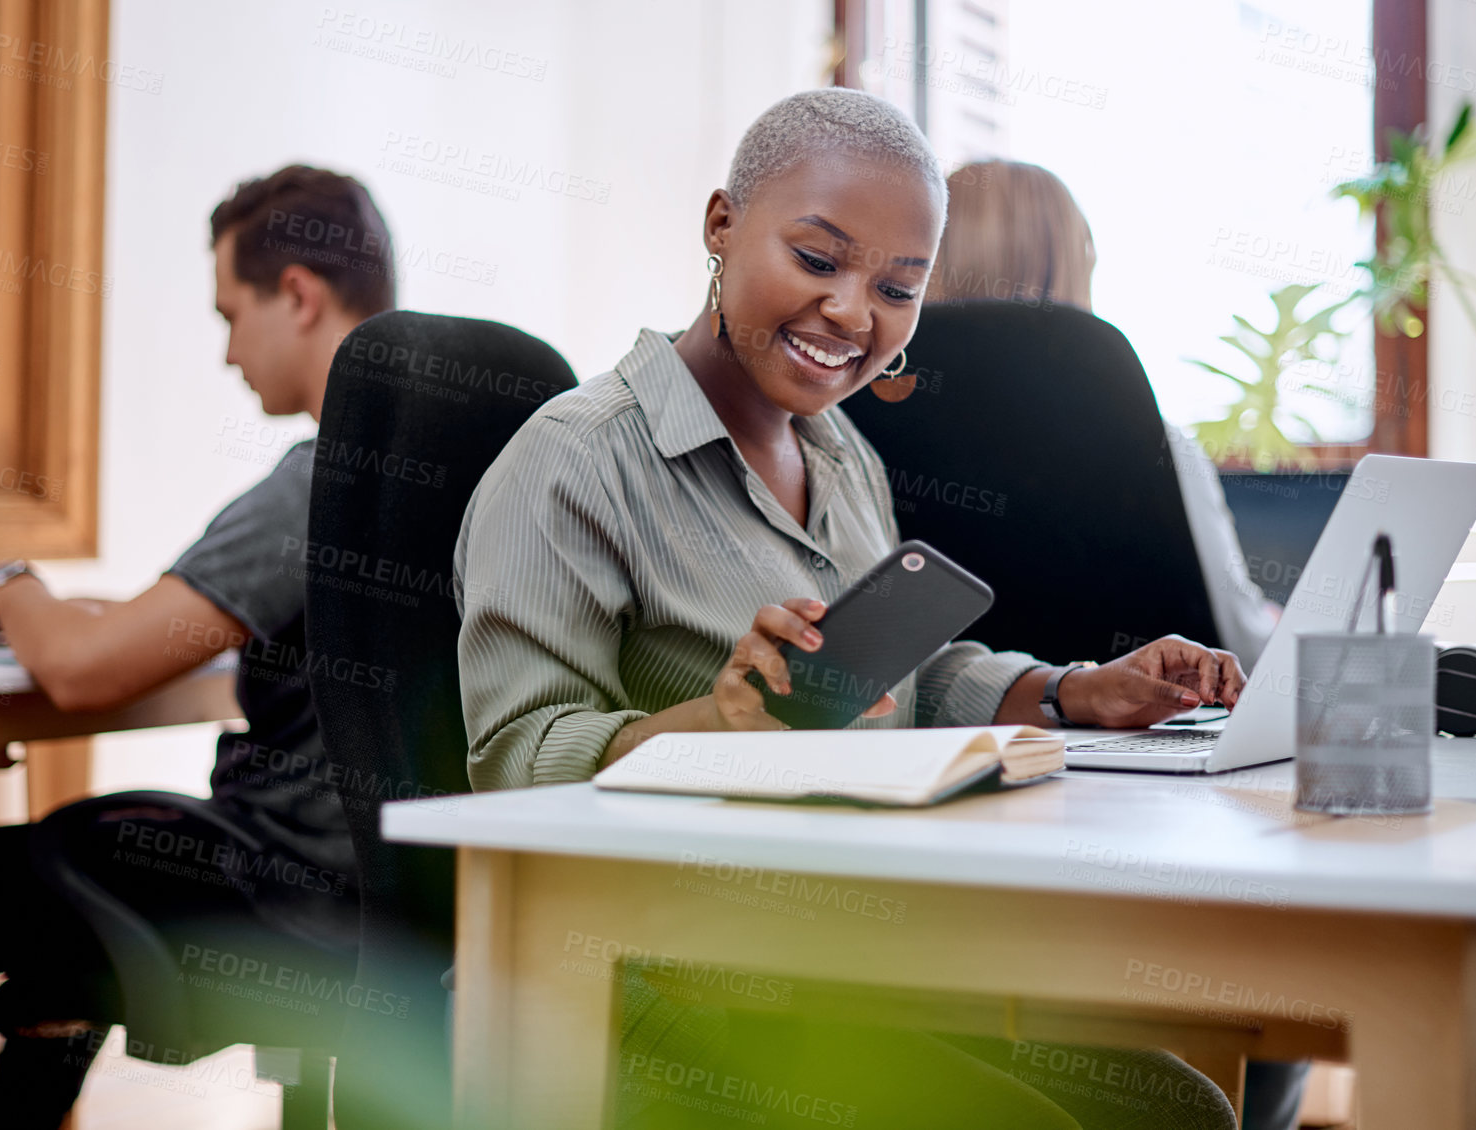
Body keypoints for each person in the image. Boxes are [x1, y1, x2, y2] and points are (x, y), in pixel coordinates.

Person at [455, 88, 1244, 1130]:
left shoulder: (837, 450)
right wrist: (716, 724)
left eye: (898, 286)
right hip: (643, 981)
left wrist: (1068, 691)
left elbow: (899, 674)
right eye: (819, 260)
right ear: (721, 226)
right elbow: (513, 760)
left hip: (825, 957)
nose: (853, 314)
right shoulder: (578, 458)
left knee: (1174, 1107)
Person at [0, 165, 391, 1128]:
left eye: (230, 314)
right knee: (58, 940)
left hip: (271, 891)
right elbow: (167, 626)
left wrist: (9, 582)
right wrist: (90, 612)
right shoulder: (428, 460)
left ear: (296, 294)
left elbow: (83, 677)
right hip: (381, 898)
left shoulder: (319, 476)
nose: (227, 354)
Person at [930, 158, 1307, 1130]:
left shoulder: (850, 424)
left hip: (939, 784)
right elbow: (1229, 635)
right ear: (1076, 268)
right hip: (1137, 797)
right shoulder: (1145, 431)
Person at [927, 159, 1277, 671]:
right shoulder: (1154, 442)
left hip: (939, 733)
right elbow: (1238, 650)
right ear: (1076, 263)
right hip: (1144, 733)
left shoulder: (863, 419)